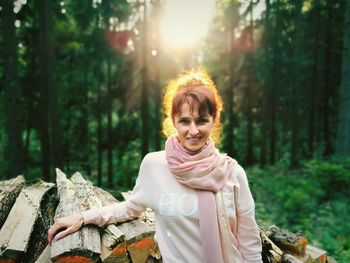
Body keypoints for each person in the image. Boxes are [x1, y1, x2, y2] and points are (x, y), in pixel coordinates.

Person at [48, 70, 262, 263]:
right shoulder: (155, 165)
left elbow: (249, 242)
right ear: (173, 121)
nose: (193, 130)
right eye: (185, 121)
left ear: (214, 120)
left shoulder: (232, 173)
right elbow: (130, 208)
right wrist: (83, 218)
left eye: (202, 120)